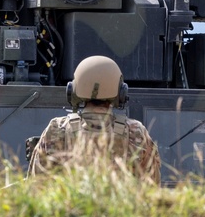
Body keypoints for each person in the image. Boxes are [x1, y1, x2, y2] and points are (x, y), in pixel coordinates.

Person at [29, 55, 160, 183]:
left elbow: (37, 185)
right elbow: (151, 188)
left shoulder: (57, 128)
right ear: (121, 92)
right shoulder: (136, 131)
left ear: (73, 90)